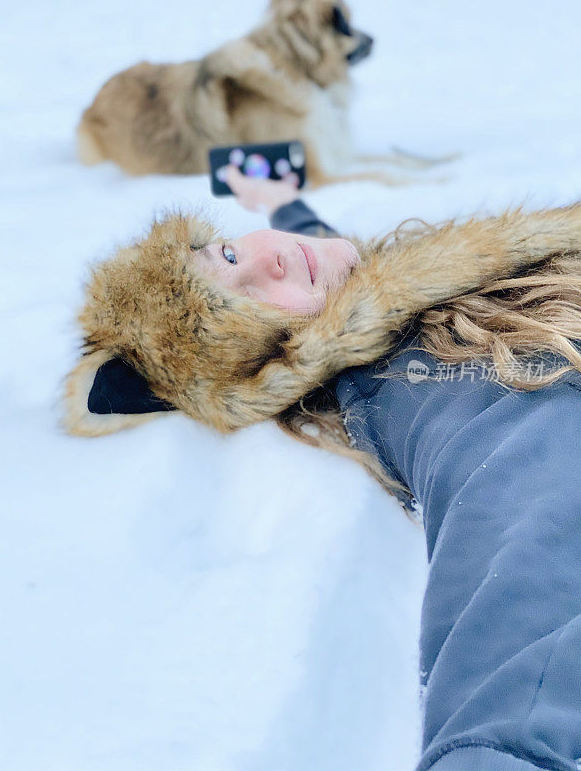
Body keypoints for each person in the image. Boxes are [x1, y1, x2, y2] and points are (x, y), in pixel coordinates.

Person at [65, 167, 581, 771]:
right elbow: (526, 498)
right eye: (247, 304)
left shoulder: (390, 282)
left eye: (227, 254)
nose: (272, 260)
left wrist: (282, 202)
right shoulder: (425, 369)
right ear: (284, 363)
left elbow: (316, 250)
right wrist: (495, 753)